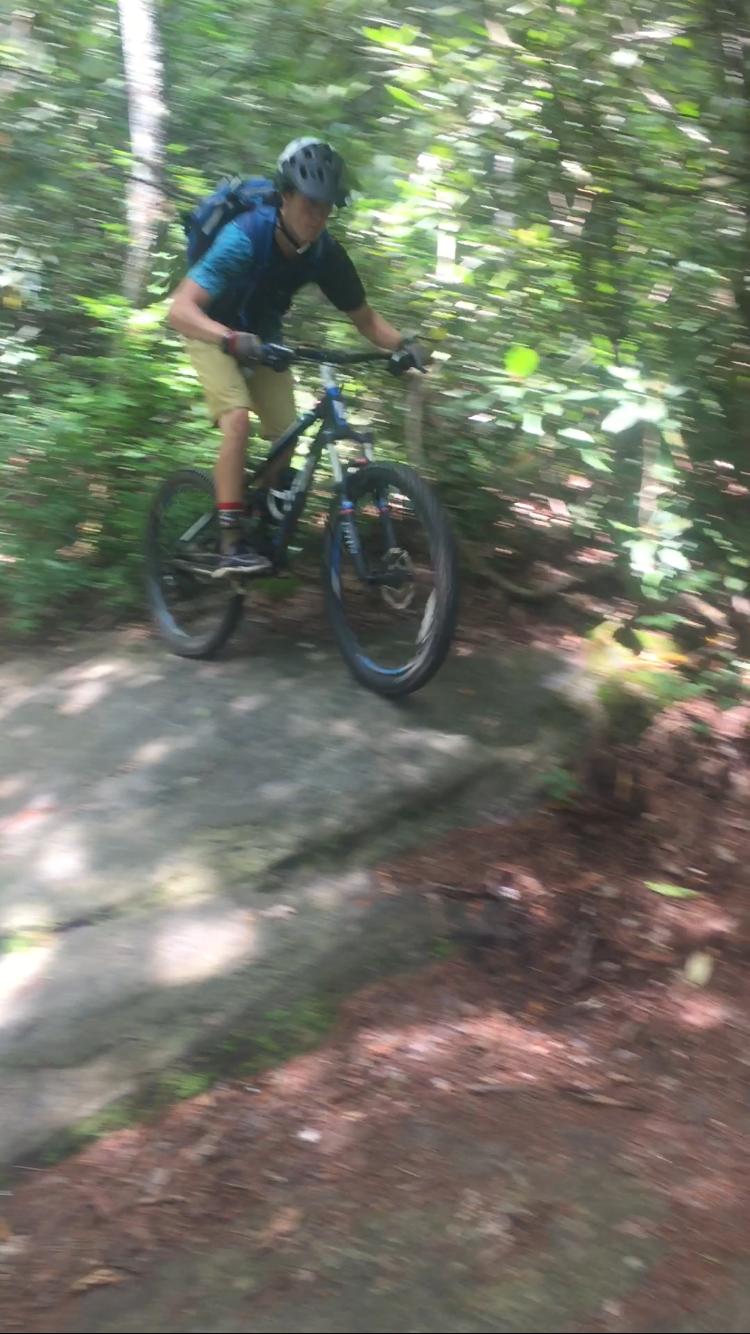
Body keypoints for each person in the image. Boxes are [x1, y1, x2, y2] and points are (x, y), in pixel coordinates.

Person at [167, 137, 424, 576]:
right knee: (237, 420)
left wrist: (403, 344)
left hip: (263, 336)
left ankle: (264, 529)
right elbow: (180, 310)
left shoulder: (324, 254)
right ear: (285, 197)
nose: (318, 217)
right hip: (209, 327)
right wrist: (228, 338)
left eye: (326, 209)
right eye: (309, 205)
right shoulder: (245, 237)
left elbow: (365, 319)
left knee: (286, 434)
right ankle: (230, 543)